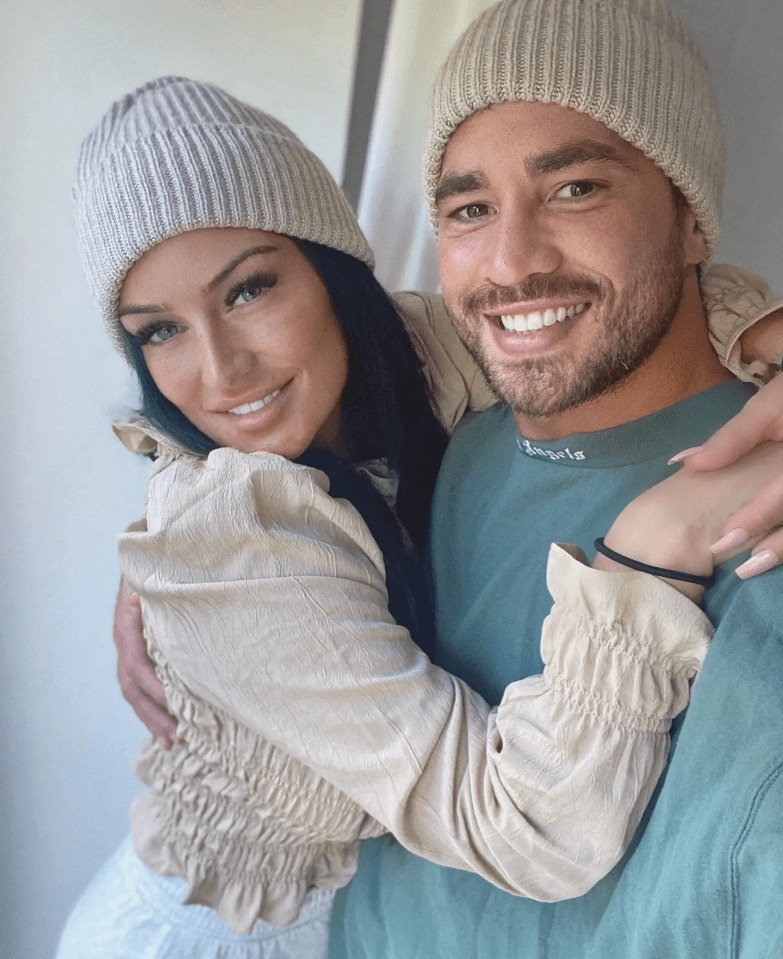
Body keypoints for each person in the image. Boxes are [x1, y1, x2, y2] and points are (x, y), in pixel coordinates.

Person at [57, 75, 749, 959]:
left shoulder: (418, 352)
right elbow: (531, 828)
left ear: (332, 267)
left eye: (247, 291)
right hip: (227, 935)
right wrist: (662, 541)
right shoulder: (226, 541)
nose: (221, 371)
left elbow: (623, 305)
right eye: (158, 331)